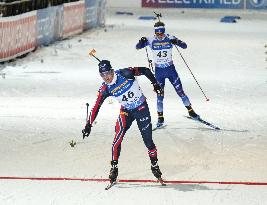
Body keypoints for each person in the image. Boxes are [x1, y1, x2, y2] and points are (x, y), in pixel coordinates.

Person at [82, 59, 164, 184]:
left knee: (148, 142)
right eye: (102, 75)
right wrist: (89, 124)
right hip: (126, 111)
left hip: (141, 109)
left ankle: (154, 164)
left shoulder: (125, 73)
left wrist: (155, 84)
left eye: (107, 73)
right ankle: (114, 168)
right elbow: (96, 107)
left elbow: (145, 70)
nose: (106, 77)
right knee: (117, 139)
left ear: (112, 71)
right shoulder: (105, 88)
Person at [136, 21, 199, 128]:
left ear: (164, 32)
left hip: (171, 70)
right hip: (159, 72)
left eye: (161, 34)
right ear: (155, 32)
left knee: (180, 92)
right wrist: (141, 41)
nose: (159, 36)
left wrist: (177, 41)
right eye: (157, 34)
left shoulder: (170, 37)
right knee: (160, 95)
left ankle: (191, 111)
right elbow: (138, 47)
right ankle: (160, 117)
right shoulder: (150, 39)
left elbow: (184, 46)